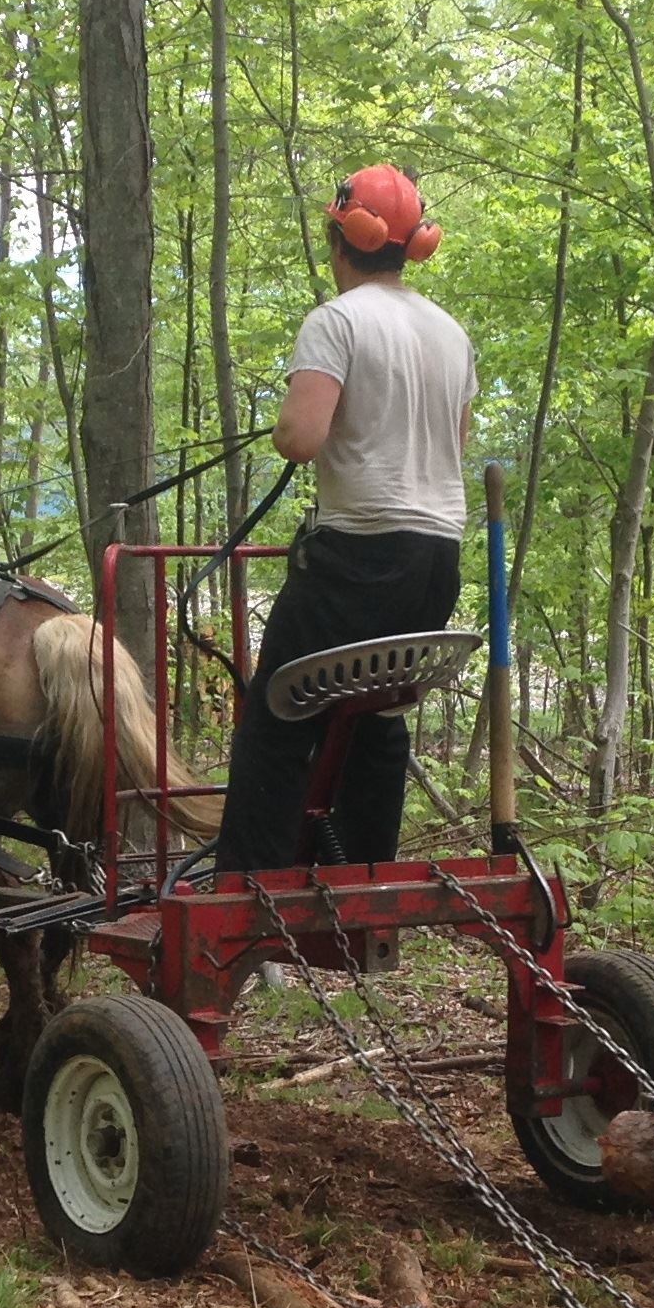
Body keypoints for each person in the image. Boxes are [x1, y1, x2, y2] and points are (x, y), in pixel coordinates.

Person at [214, 164, 475, 873]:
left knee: (274, 717)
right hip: (435, 561)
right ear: (411, 244)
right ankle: (364, 882)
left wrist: (290, 422)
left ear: (342, 241)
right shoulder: (450, 333)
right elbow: (453, 446)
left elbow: (299, 439)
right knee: (377, 716)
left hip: (358, 557)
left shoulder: (336, 321)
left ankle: (246, 892)